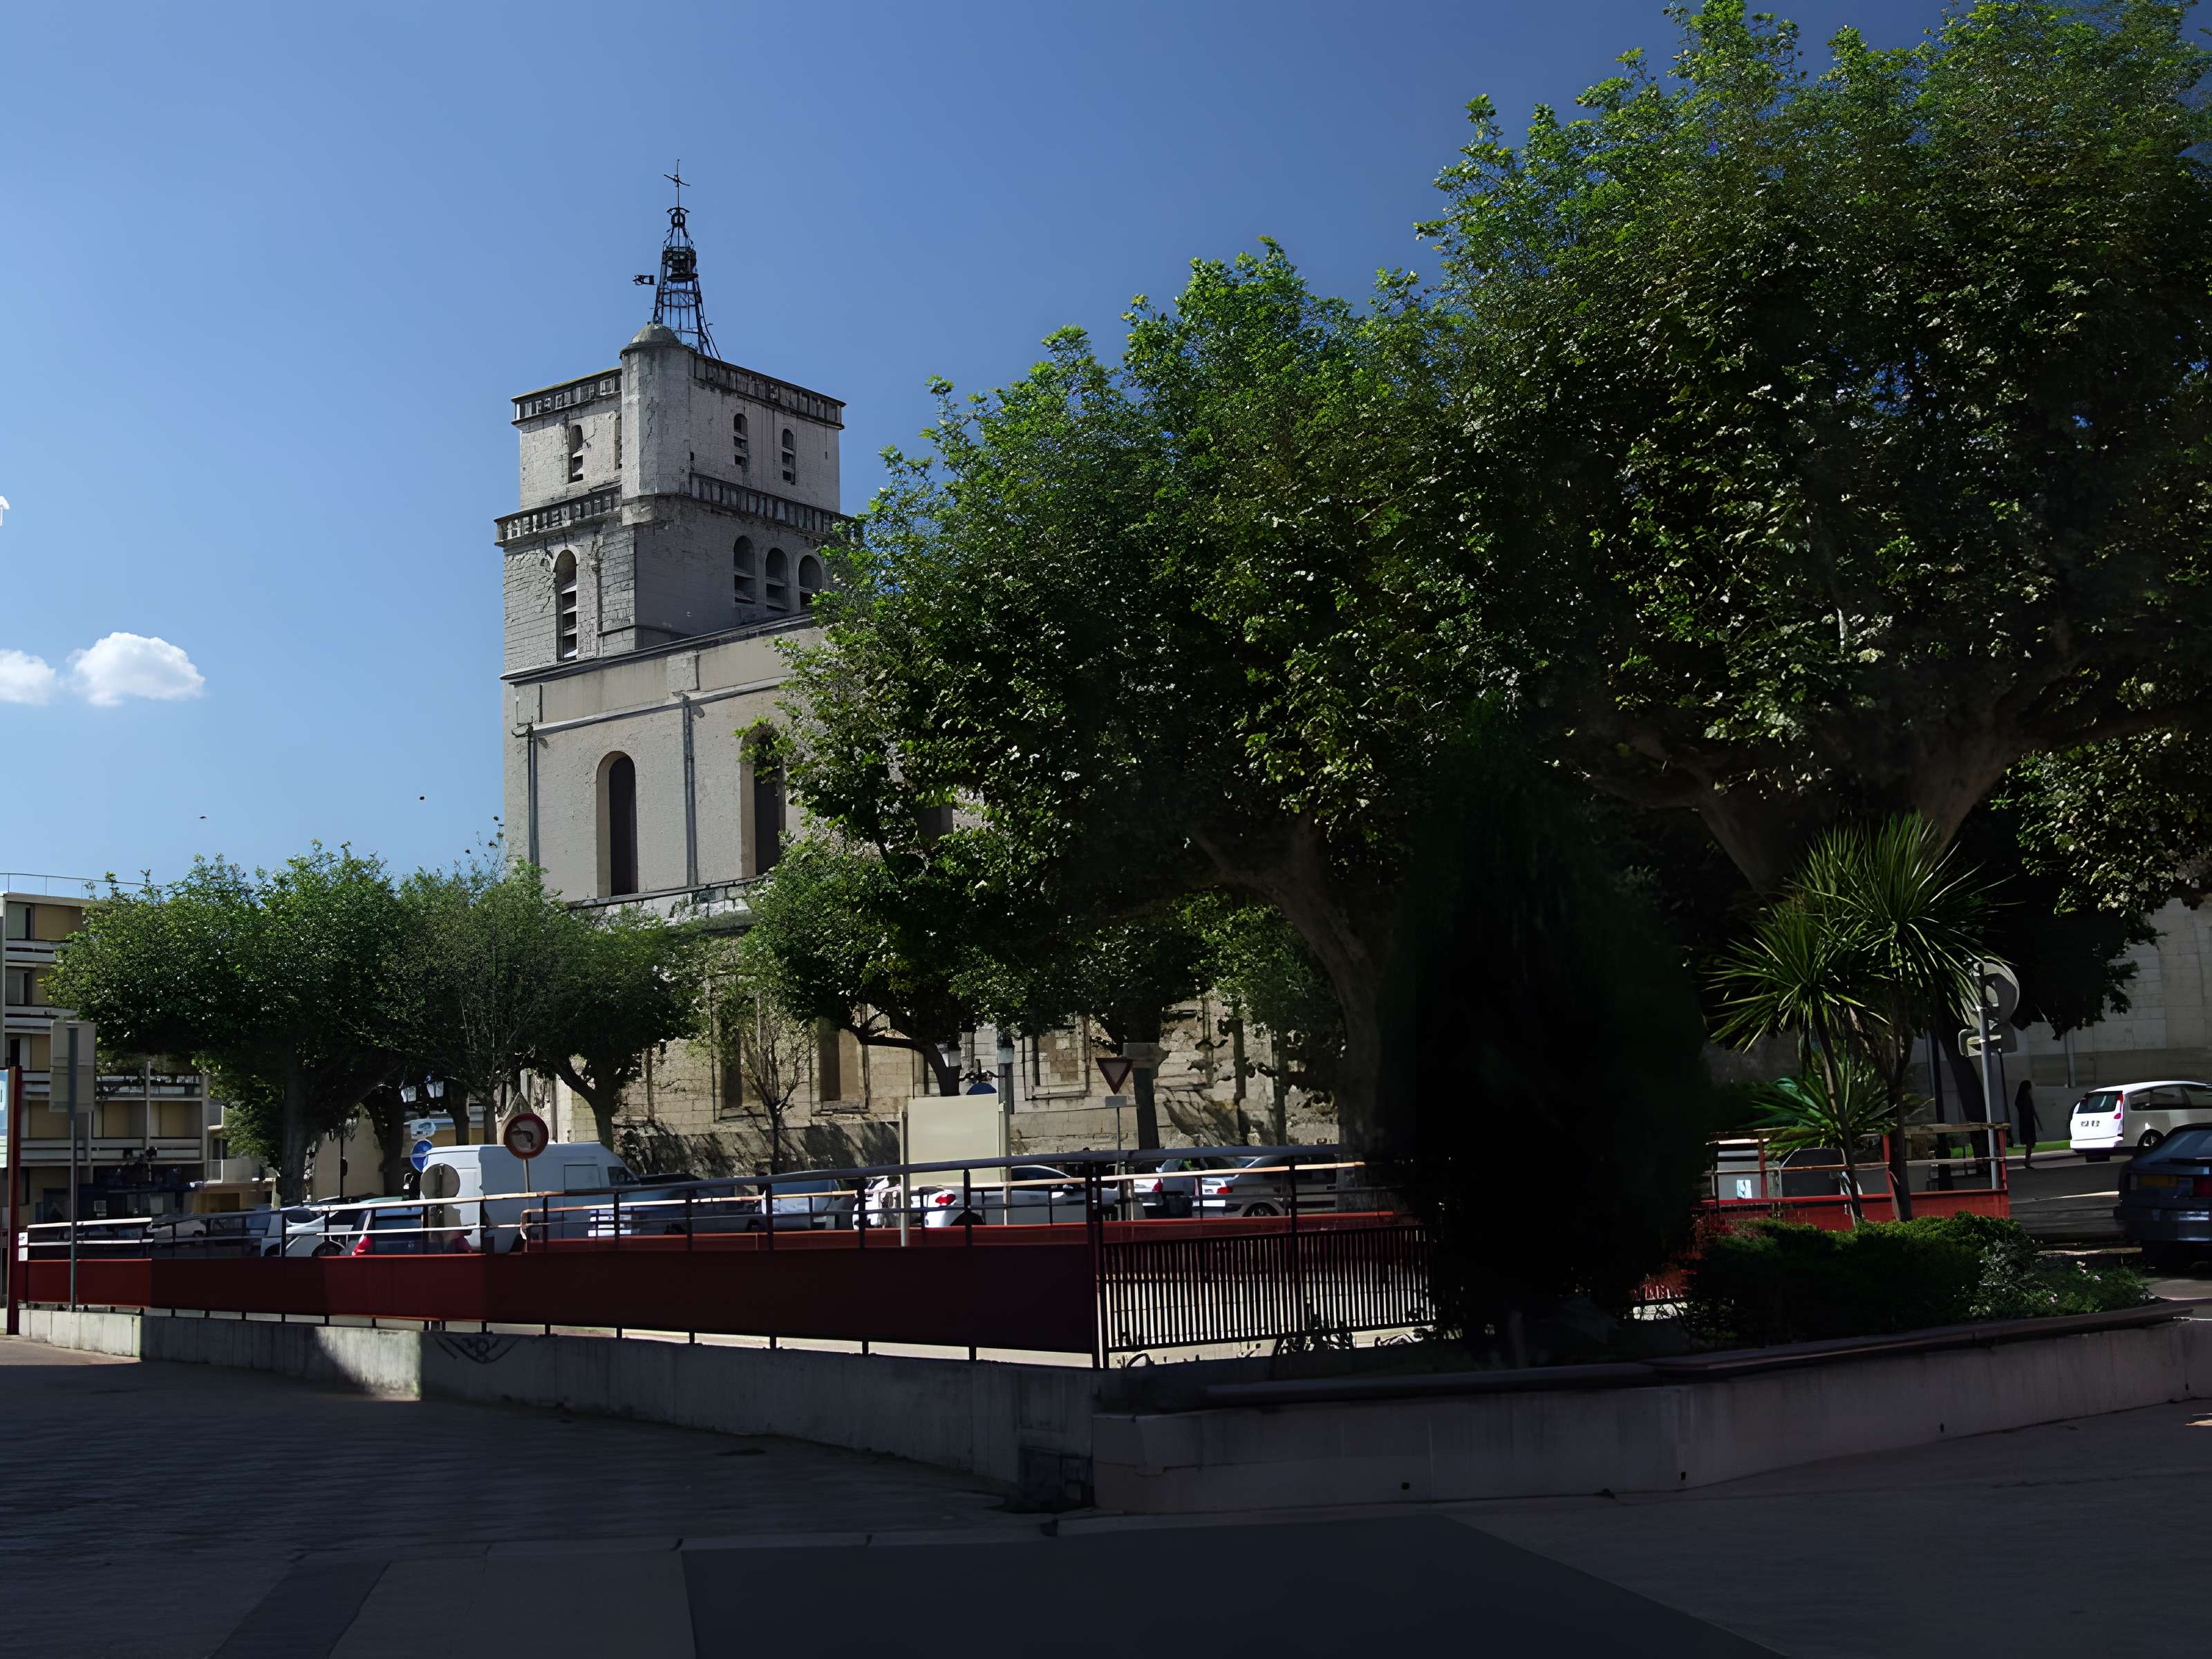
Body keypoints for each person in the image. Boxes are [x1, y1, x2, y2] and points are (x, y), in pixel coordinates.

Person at [2014, 1078, 2040, 1169]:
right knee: (2030, 1142)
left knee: (2029, 1143)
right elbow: (2032, 1110)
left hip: (2025, 1122)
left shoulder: (2021, 1098)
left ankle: (2027, 1161)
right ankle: (2027, 1161)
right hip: (2028, 1122)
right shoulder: (2026, 1098)